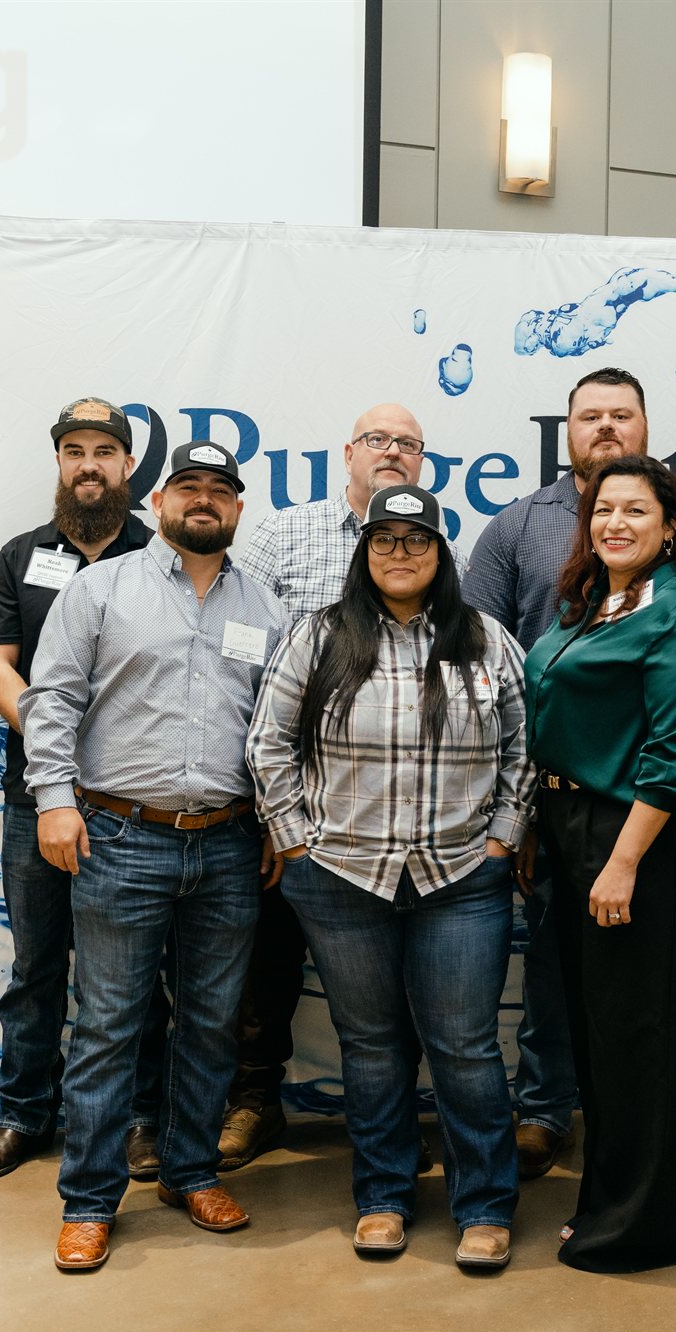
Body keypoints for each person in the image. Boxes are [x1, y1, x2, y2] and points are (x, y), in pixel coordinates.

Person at [464, 367, 676, 1190]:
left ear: (645, 426)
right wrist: (522, 813)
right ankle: (547, 1110)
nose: (605, 426)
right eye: (589, 415)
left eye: (620, 414)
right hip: (559, 804)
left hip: (658, 805)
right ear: (564, 430)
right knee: (557, 964)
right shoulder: (516, 526)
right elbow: (486, 664)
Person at [248, 483, 531, 1270]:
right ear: (364, 551)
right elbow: (267, 742)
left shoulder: (485, 638)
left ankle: (485, 1204)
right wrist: (295, 842)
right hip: (341, 878)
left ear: (441, 553)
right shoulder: (319, 636)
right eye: (384, 539)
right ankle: (383, 1194)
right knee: (370, 1046)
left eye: (416, 539)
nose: (400, 552)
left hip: (460, 878)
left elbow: (523, 746)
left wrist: (503, 838)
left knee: (465, 1047)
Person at [21, 438, 286, 1272]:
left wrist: (276, 823)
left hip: (230, 843)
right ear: (160, 501)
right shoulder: (101, 588)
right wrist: (54, 800)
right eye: (188, 487)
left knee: (211, 1023)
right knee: (109, 1025)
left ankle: (190, 1170)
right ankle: (89, 1200)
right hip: (120, 837)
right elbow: (52, 699)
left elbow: (276, 729)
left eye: (220, 491)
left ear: (237, 508)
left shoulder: (265, 606)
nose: (203, 500)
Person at [523, 453, 676, 1274]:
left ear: (671, 527)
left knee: (642, 1035)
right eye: (604, 509)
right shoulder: (593, 601)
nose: (616, 523)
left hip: (647, 838)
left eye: (637, 510)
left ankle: (645, 1229)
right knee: (601, 1034)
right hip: (577, 824)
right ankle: (606, 1205)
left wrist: (622, 862)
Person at [0, 396, 165, 1184]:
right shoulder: (22, 556)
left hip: (130, 806)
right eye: (74, 450)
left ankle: (142, 1118)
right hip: (33, 802)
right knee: (37, 967)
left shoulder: (159, 553)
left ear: (127, 465)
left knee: (137, 974)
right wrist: (57, 747)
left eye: (103, 451)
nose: (89, 465)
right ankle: (23, 1116)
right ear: (59, 462)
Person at [222, 404, 430, 1169]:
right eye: (378, 439)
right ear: (348, 452)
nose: (392, 451)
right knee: (266, 962)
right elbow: (239, 663)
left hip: (388, 813)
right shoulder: (284, 533)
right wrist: (270, 814)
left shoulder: (433, 544)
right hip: (288, 804)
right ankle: (254, 1101)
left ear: (421, 461)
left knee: (397, 981)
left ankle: (397, 1121)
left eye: (407, 443)